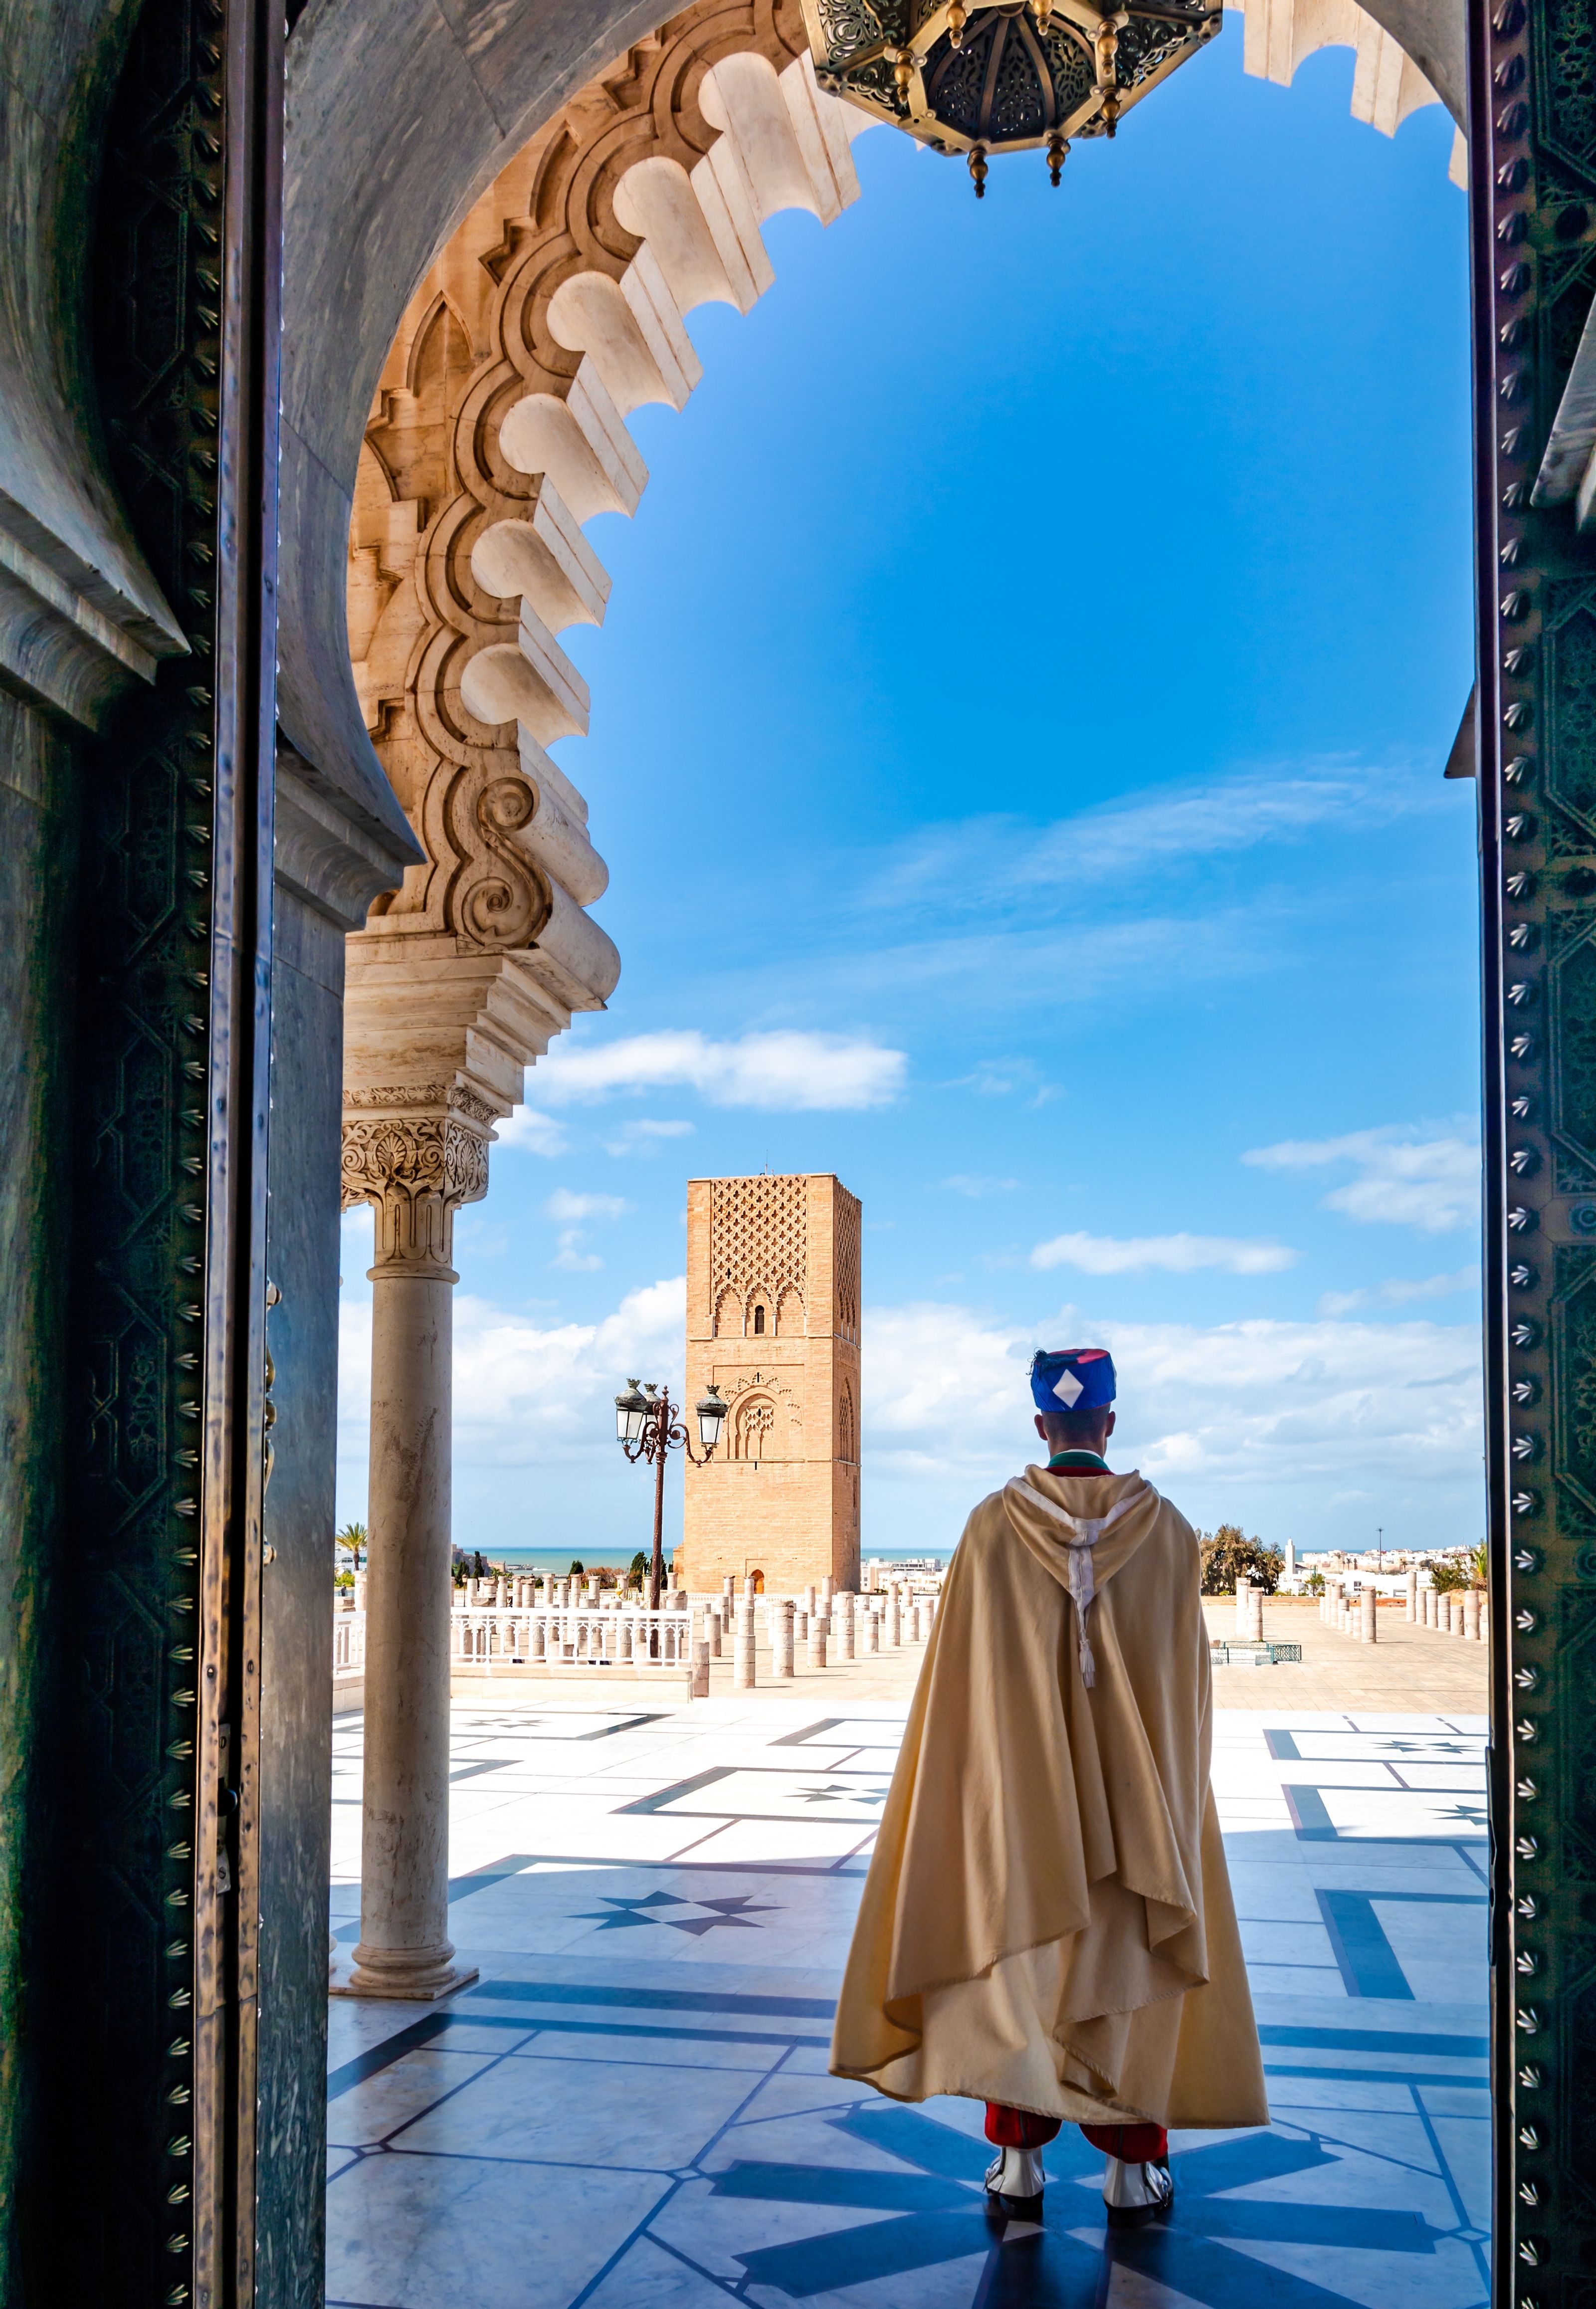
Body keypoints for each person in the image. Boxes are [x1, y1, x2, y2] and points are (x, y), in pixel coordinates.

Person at [830, 1347, 1266, 2229]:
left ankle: (1018, 2158)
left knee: (1019, 1966)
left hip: (1023, 1801)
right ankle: (1133, 2173)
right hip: (1139, 1811)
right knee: (1130, 1961)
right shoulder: (1171, 1530)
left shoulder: (992, 1527)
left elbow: (963, 1683)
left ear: (1041, 1427)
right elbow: (1188, 1695)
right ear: (1109, 1423)